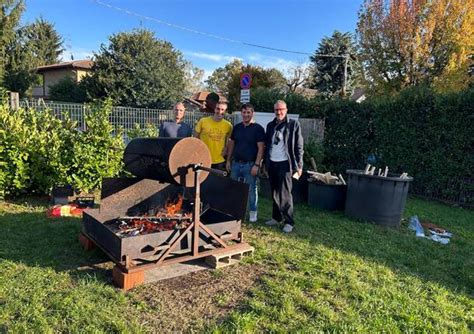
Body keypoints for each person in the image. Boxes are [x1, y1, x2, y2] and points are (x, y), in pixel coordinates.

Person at [264, 100, 303, 233]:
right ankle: (276, 217)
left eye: (281, 109)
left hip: (285, 164)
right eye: (276, 110)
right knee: (274, 192)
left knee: (285, 194)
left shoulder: (293, 124)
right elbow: (267, 145)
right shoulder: (270, 125)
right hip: (272, 163)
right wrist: (265, 163)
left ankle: (289, 221)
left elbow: (299, 146)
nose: (279, 112)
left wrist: (299, 165)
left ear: (286, 110)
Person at [226, 103, 265, 223]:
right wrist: (228, 160)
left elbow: (261, 148)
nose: (246, 115)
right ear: (241, 113)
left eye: (248, 112)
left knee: (251, 190)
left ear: (252, 113)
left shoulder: (258, 129)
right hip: (236, 164)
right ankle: (234, 211)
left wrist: (257, 165)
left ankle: (253, 213)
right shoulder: (236, 127)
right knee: (234, 188)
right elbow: (232, 144)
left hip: (250, 165)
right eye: (244, 112)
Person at [194, 101, 233, 170]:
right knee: (203, 180)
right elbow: (195, 138)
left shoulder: (228, 126)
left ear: (226, 111)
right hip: (203, 159)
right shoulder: (203, 121)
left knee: (216, 180)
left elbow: (229, 141)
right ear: (215, 109)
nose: (220, 111)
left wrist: (226, 149)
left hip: (219, 160)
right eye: (218, 109)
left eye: (222, 109)